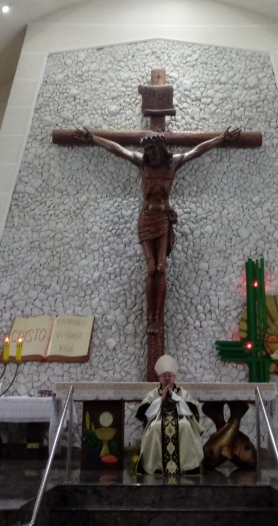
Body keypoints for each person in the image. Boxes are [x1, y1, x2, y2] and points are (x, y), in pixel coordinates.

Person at [76, 127, 239, 378]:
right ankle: (151, 315)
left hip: (163, 219)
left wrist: (222, 139)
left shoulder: (172, 164)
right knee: (151, 268)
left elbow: (198, 150)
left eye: (153, 149)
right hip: (146, 219)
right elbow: (118, 150)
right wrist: (94, 139)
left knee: (161, 268)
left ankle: (156, 316)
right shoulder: (142, 164)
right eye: (147, 150)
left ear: (161, 150)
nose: (149, 153)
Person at [135, 354, 203, 476]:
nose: (167, 378)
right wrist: (161, 399)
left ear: (174, 377)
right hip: (159, 419)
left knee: (185, 426)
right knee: (155, 427)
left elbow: (191, 410)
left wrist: (175, 397)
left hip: (180, 419)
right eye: (164, 376)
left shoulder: (182, 392)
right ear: (159, 378)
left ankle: (187, 466)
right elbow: (145, 412)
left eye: (169, 376)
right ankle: (156, 466)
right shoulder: (154, 393)